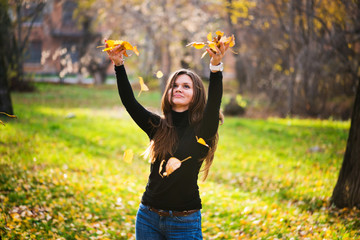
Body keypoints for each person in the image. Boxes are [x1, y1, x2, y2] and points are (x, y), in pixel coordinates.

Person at [107, 40, 229, 239]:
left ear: (196, 94)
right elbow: (130, 103)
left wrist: (216, 67)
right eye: (174, 85)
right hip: (148, 218)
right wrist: (119, 65)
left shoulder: (203, 130)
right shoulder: (157, 126)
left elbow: (214, 103)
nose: (178, 89)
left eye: (186, 86)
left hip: (184, 222)